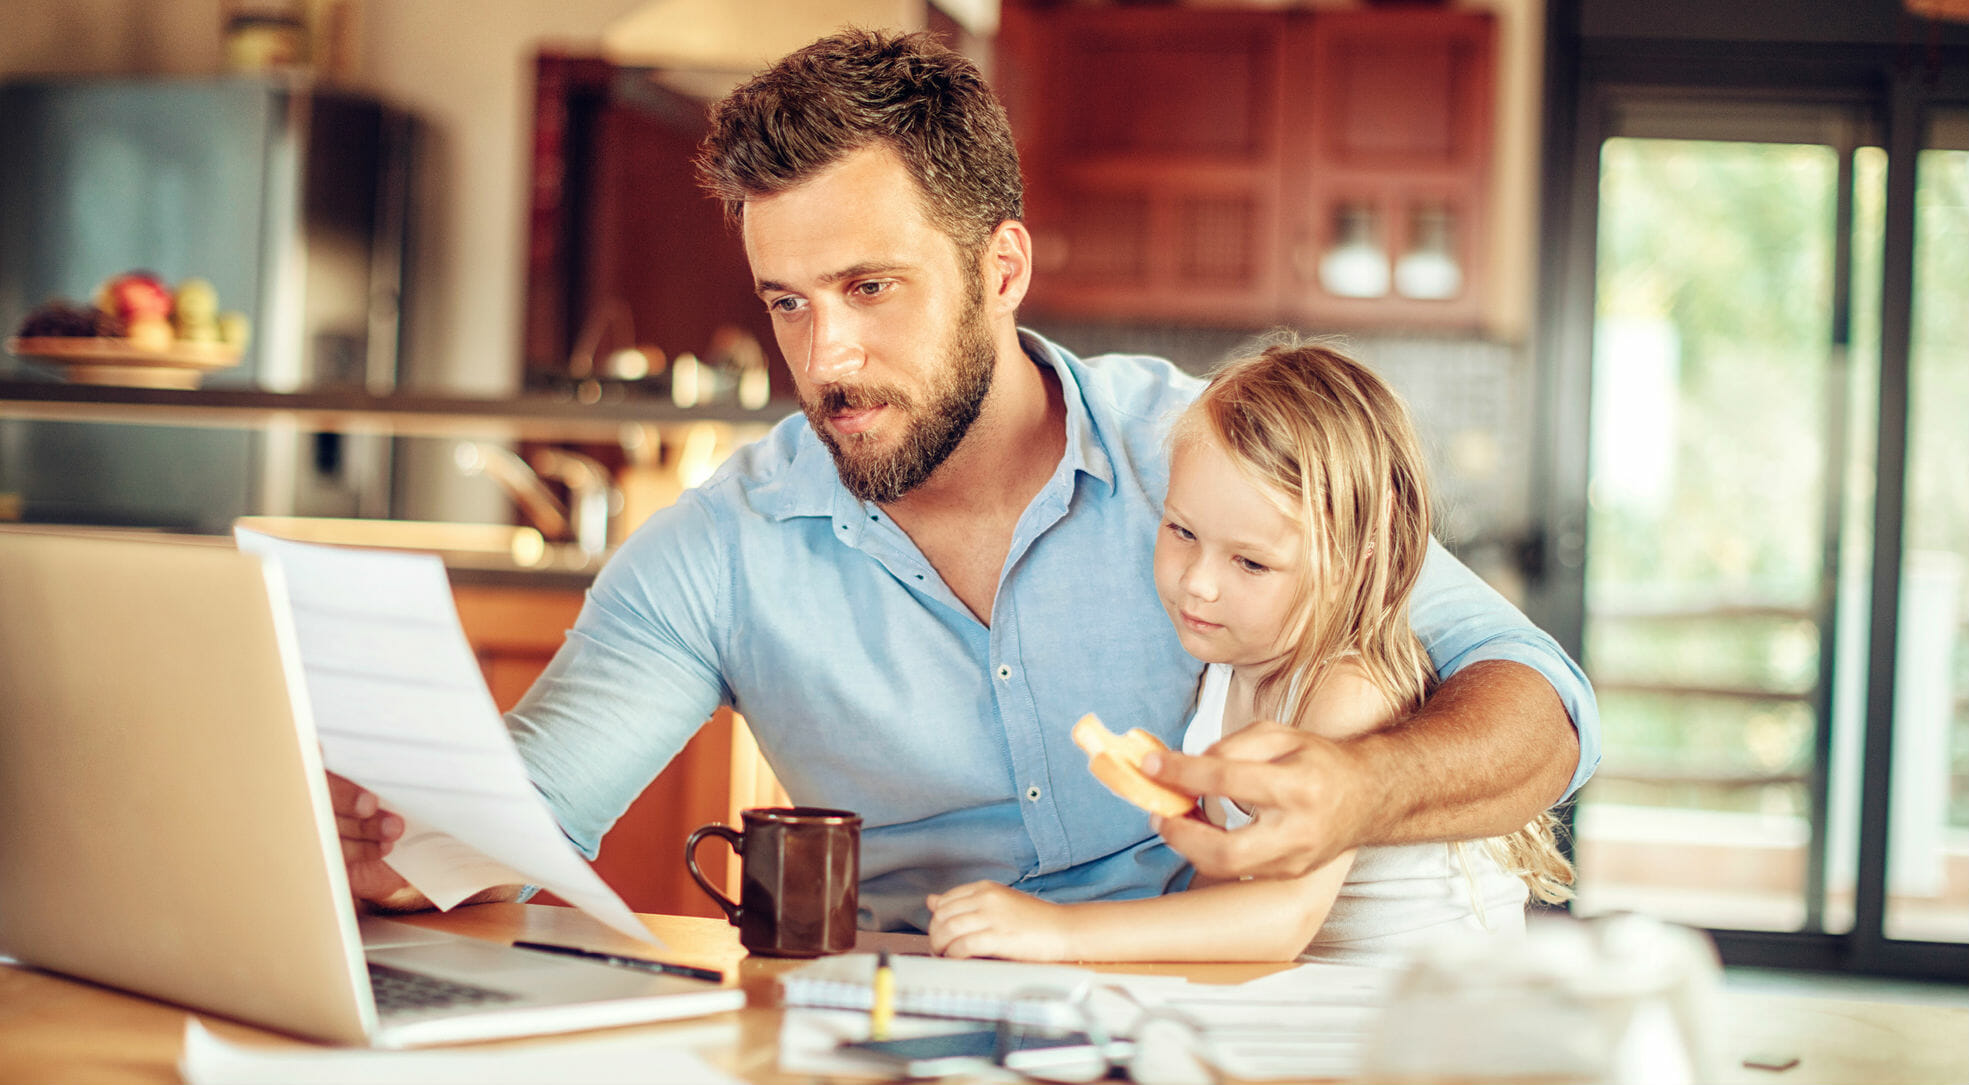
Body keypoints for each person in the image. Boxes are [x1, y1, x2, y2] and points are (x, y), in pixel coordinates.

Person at [333, 28, 1598, 933]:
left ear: (1001, 268)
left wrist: (1360, 789)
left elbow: (1543, 705)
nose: (826, 357)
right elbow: (523, 815)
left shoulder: (1204, 451)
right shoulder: (716, 550)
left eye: (871, 288)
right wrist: (400, 846)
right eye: (788, 301)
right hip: (905, 1027)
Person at [926, 342, 1573, 963]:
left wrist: (1060, 930)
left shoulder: (1347, 687)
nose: (1197, 581)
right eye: (1181, 530)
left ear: (1352, 567)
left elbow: (1278, 921)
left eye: (1251, 562)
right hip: (1321, 1009)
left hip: (1434, 1030)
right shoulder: (1223, 671)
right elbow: (1222, 898)